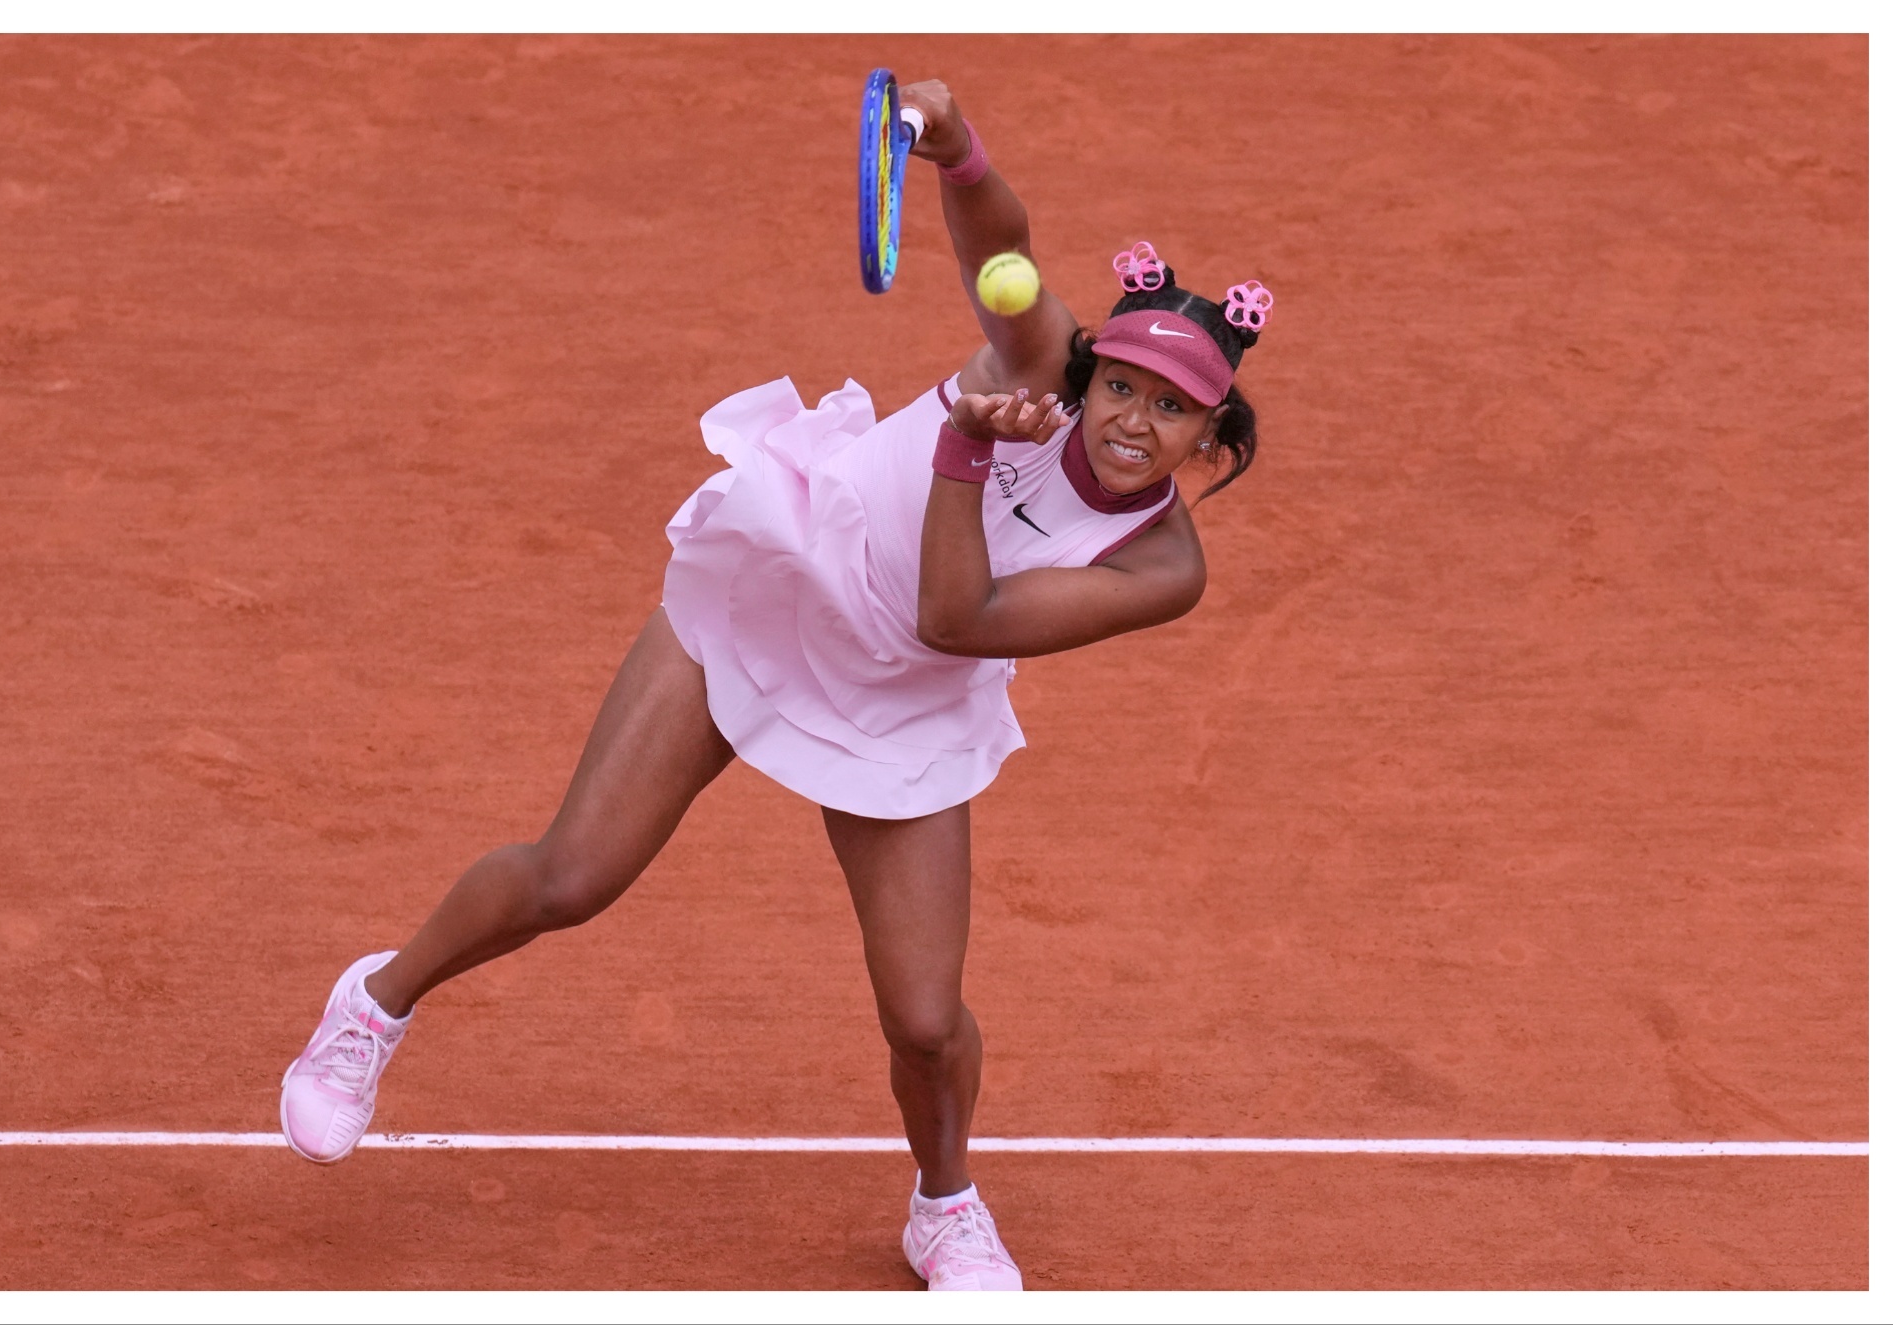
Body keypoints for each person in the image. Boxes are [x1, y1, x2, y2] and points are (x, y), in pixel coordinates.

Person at [278, 78, 1272, 1292]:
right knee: (571, 874)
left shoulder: (1162, 565)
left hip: (903, 691)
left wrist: (965, 444)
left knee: (922, 1016)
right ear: (1091, 370)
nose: (1130, 420)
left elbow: (956, 618)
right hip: (783, 585)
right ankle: (375, 1002)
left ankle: (943, 1203)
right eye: (1120, 385)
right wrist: (953, 151)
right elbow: (1001, 253)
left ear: (1209, 444)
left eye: (1170, 411)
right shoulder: (1037, 358)